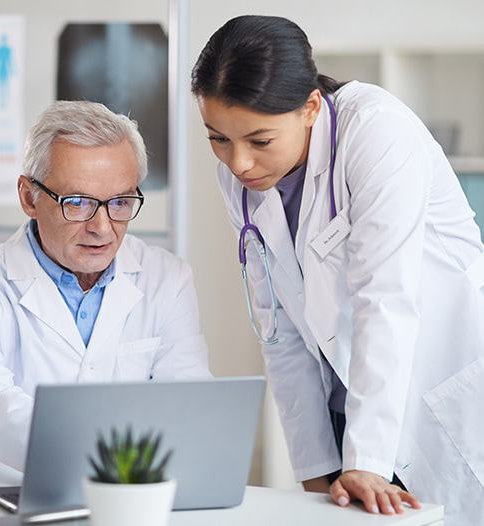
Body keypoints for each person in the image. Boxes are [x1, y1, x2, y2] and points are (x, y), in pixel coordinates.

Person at [191, 15, 484, 525]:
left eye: (260, 140)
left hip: (438, 391)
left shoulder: (376, 131)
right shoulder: (241, 181)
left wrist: (367, 461)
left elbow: (385, 299)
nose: (238, 163)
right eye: (218, 138)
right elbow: (277, 330)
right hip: (346, 403)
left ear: (309, 108)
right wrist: (314, 466)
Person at [0, 100, 212, 471]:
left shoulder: (167, 279)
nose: (101, 227)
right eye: (77, 203)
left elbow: (190, 402)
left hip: (135, 496)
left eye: (120, 202)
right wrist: (94, 453)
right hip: (18, 489)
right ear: (29, 197)